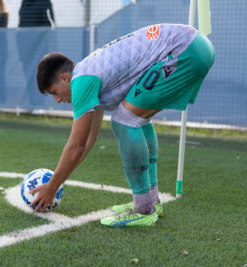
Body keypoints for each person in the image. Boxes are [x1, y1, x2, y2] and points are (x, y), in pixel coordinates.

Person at [31, 23, 215, 227]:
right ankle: (150, 201)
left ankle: (143, 209)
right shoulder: (90, 74)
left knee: (125, 121)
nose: (57, 100)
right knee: (136, 119)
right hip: (194, 45)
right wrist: (57, 181)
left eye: (54, 92)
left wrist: (52, 186)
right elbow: (90, 138)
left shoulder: (81, 81)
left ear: (64, 78)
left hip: (184, 49)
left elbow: (76, 146)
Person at [16, 0, 55, 107]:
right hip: (25, 48)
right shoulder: (24, 3)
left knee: (40, 76)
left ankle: (39, 105)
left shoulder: (45, 2)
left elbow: (49, 24)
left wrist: (36, 39)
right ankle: (31, 104)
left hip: (39, 48)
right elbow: (21, 24)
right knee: (27, 74)